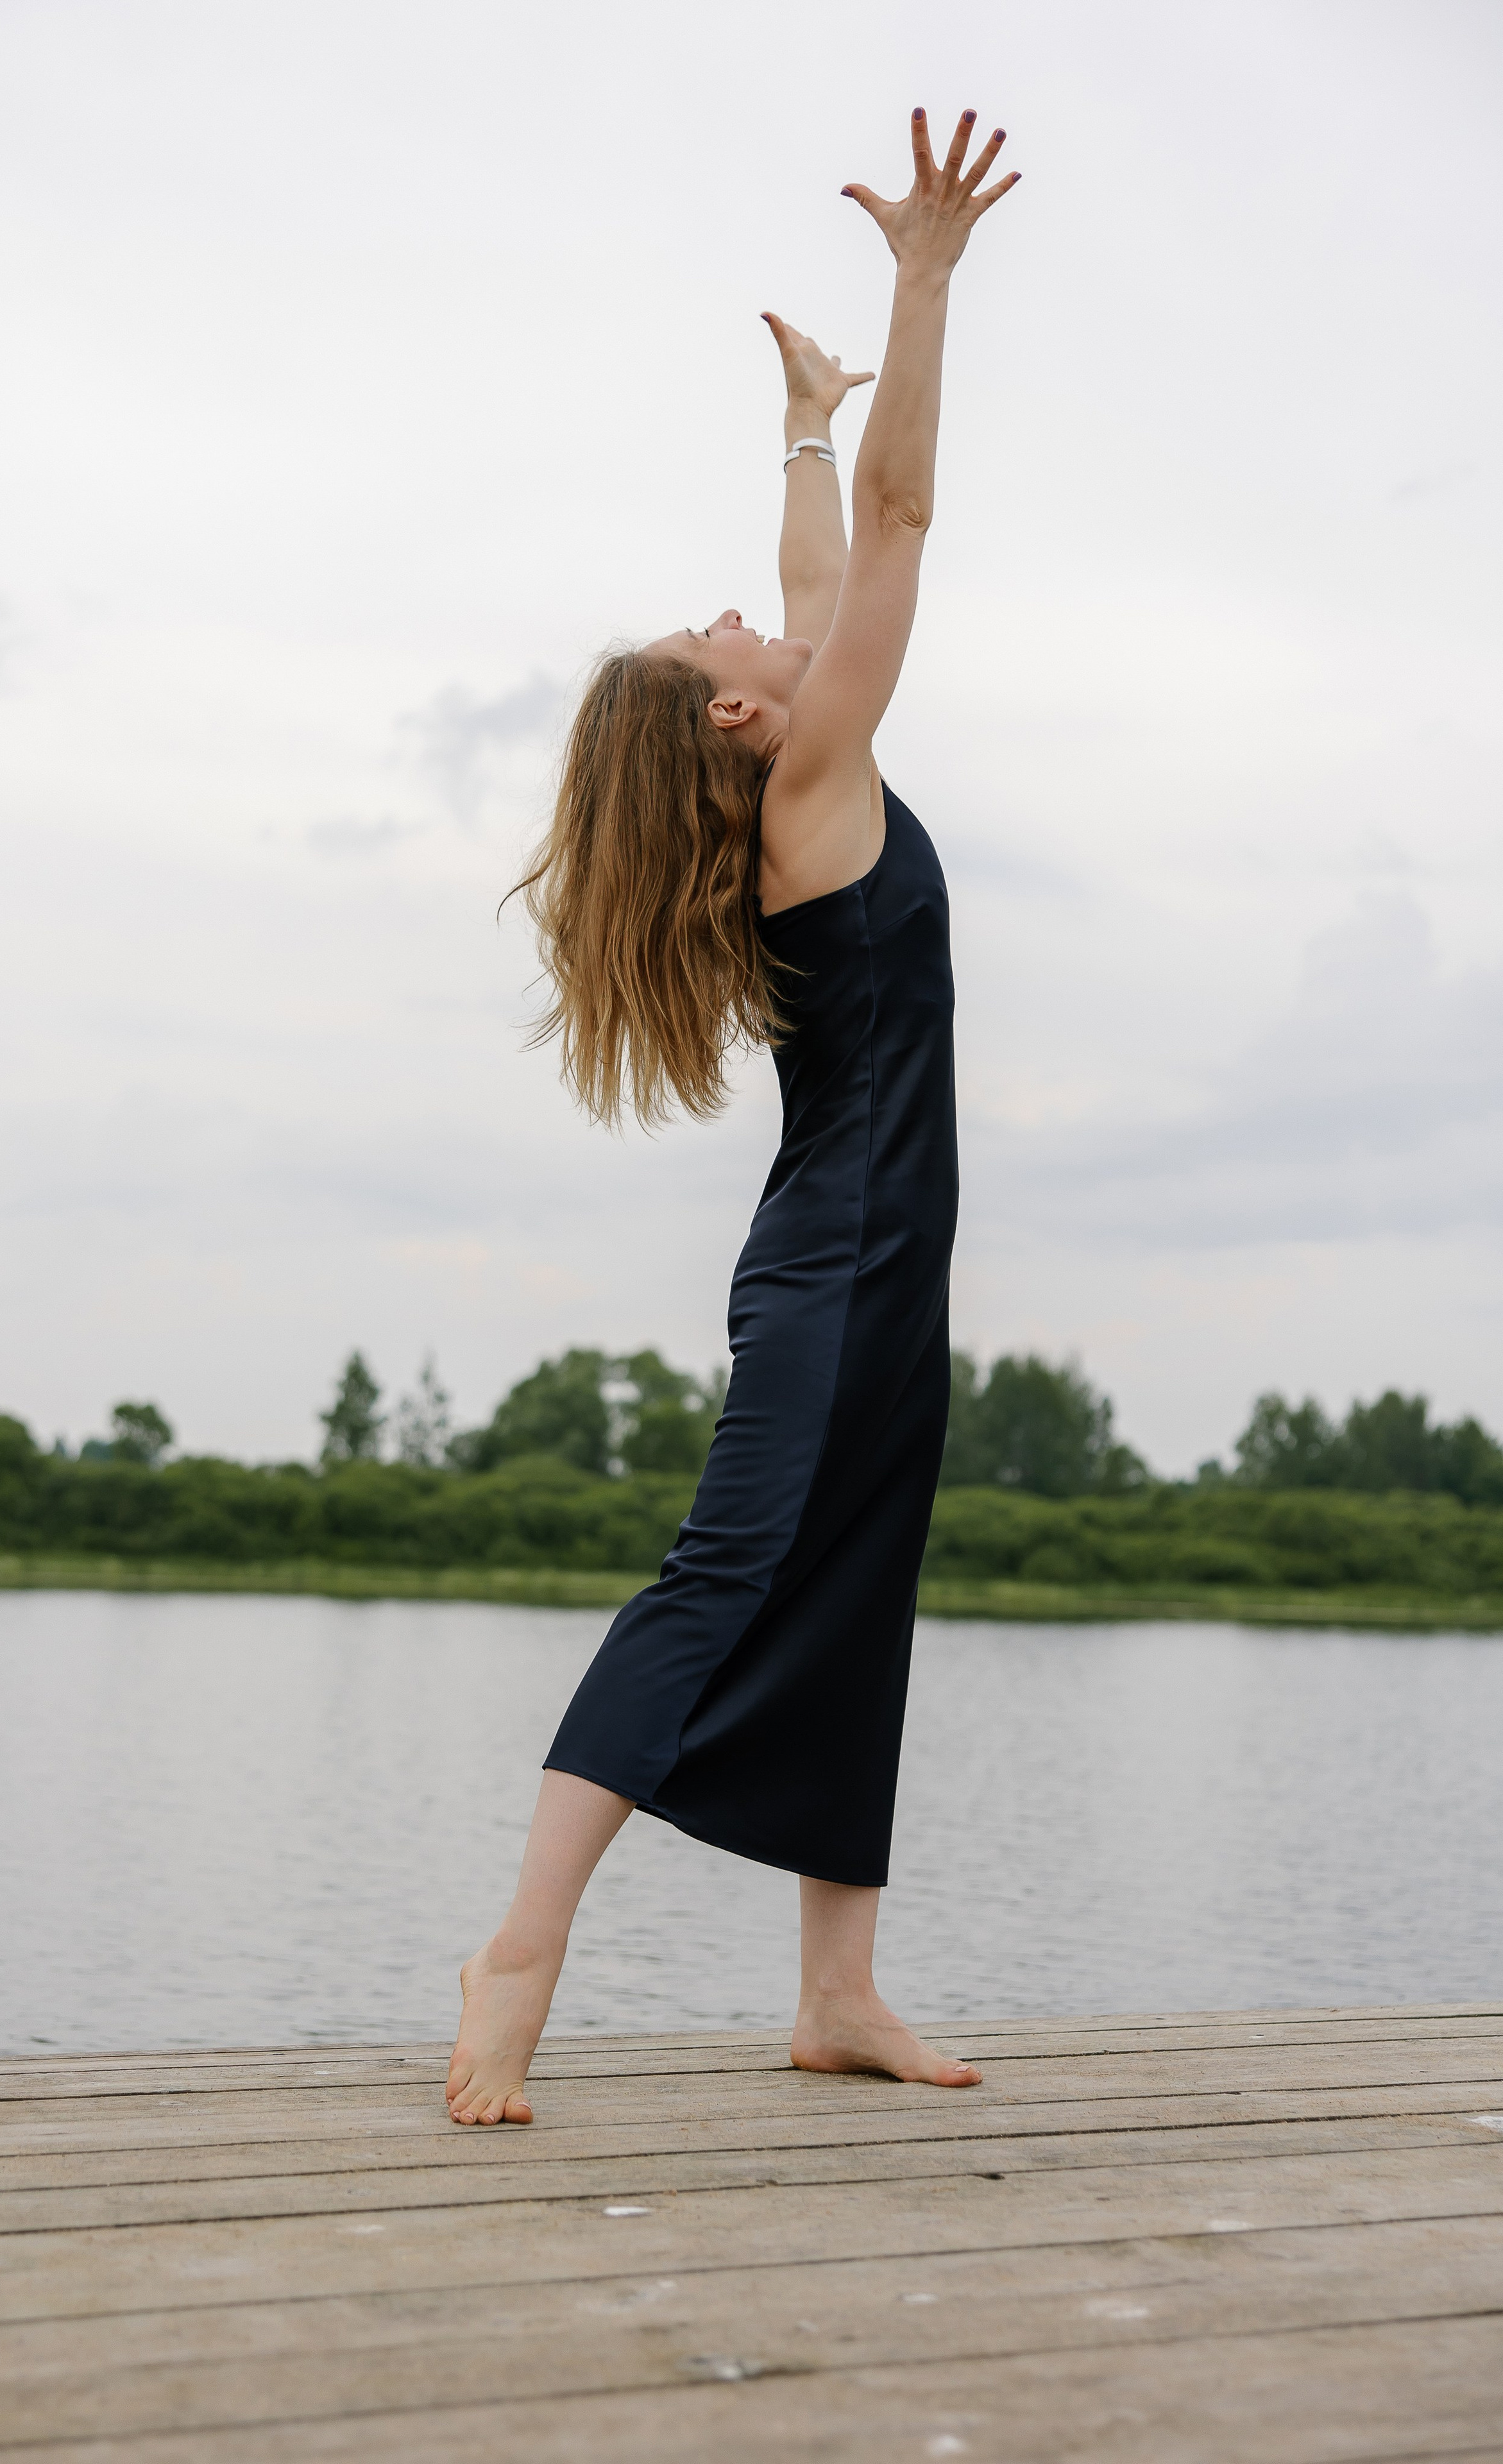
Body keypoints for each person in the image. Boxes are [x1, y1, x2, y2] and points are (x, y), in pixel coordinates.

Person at [447, 105, 1020, 2125]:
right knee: (717, 1581)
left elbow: (823, 548)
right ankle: (519, 1951)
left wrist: (797, 419)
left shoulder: (797, 774)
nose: (751, 614)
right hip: (843, 1277)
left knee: (858, 1587)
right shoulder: (810, 783)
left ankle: (835, 1992)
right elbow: (900, 528)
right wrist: (925, 284)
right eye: (724, 640)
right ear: (742, 723)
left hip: (857, 1270)